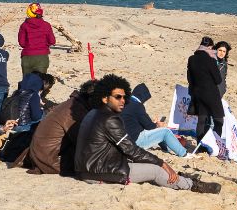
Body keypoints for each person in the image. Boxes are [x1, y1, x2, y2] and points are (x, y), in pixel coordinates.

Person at [74, 74, 220, 193]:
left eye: (124, 97)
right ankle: (191, 185)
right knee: (156, 170)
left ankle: (182, 178)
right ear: (105, 98)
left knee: (147, 162)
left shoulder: (94, 113)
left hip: (89, 168)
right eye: (117, 97)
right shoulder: (109, 119)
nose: (123, 101)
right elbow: (132, 150)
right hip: (100, 172)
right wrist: (162, 163)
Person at [12, 79, 98, 176]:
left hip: (41, 155)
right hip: (50, 160)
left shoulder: (73, 103)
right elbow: (82, 140)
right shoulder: (75, 109)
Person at [123, 83, 187, 157]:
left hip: (125, 140)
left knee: (159, 133)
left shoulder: (125, 102)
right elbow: (149, 126)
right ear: (143, 97)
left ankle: (168, 148)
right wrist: (157, 125)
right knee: (165, 132)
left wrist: (153, 124)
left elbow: (134, 122)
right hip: (135, 142)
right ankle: (184, 154)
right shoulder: (137, 105)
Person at [186, 37, 224, 149]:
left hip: (197, 93)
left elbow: (189, 78)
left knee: (201, 120)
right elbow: (218, 79)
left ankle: (200, 146)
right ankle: (216, 145)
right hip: (211, 93)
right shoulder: (210, 59)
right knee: (219, 120)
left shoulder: (191, 59)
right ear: (210, 47)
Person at [17, 2, 55, 77]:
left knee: (27, 81)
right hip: (42, 57)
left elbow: (22, 43)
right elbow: (52, 41)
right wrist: (45, 45)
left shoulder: (24, 25)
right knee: (40, 81)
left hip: (27, 56)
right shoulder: (46, 25)